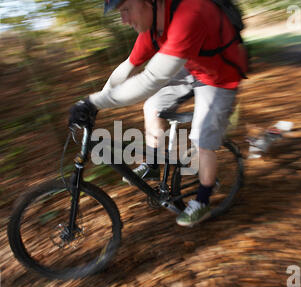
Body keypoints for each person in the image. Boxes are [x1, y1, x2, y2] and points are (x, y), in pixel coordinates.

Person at [68, 0, 247, 227]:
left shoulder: (191, 13)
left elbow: (151, 79)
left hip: (221, 76)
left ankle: (202, 201)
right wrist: (93, 102)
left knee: (202, 137)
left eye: (125, 10)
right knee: (152, 106)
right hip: (193, 65)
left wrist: (94, 102)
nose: (123, 20)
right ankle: (153, 164)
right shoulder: (153, 28)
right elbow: (127, 66)